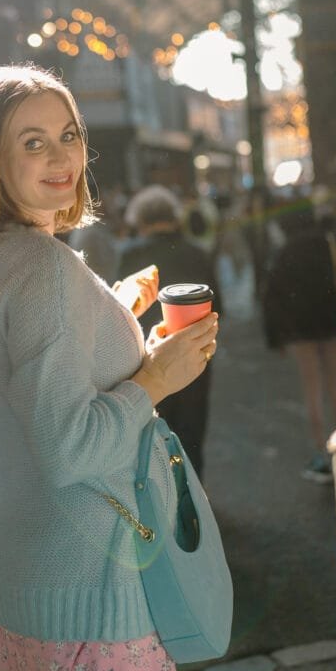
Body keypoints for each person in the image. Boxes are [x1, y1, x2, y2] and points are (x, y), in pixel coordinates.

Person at [0, 64, 219, 671]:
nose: (62, 157)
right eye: (32, 142)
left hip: (26, 589)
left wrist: (112, 312)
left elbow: (27, 377)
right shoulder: (42, 268)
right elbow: (69, 446)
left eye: (69, 135)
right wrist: (155, 378)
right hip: (91, 597)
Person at [119, 185, 223, 479]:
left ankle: (161, 503)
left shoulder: (131, 255)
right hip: (197, 352)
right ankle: (194, 500)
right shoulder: (196, 252)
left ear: (139, 220)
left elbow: (120, 310)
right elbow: (219, 305)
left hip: (144, 357)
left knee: (152, 435)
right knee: (191, 431)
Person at [261, 200, 336, 483]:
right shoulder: (329, 242)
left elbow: (272, 296)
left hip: (299, 330)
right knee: (335, 387)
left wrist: (275, 337)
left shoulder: (284, 251)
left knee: (312, 388)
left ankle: (322, 454)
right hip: (331, 323)